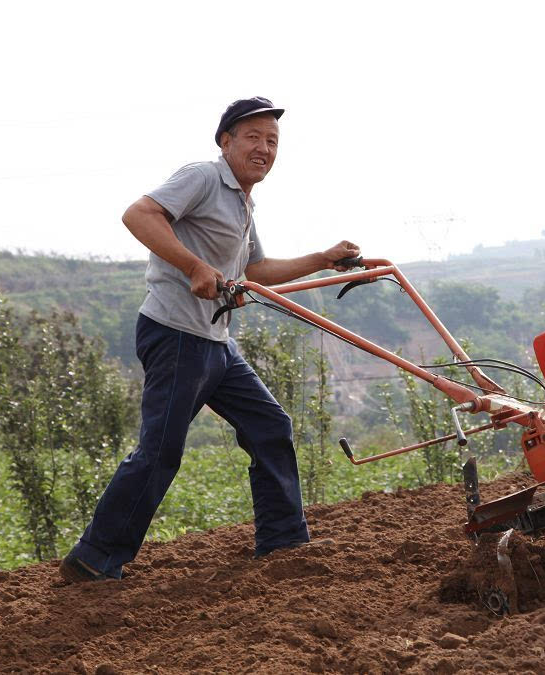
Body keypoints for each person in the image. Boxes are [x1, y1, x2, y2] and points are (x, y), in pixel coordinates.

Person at [59, 97, 360, 582]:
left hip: (214, 340)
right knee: (160, 451)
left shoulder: (243, 201)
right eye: (254, 137)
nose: (264, 148)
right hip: (177, 335)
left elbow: (257, 270)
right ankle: (95, 557)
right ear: (226, 142)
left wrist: (323, 258)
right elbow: (138, 214)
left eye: (273, 141)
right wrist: (194, 266)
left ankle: (283, 542)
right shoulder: (202, 177)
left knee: (270, 426)